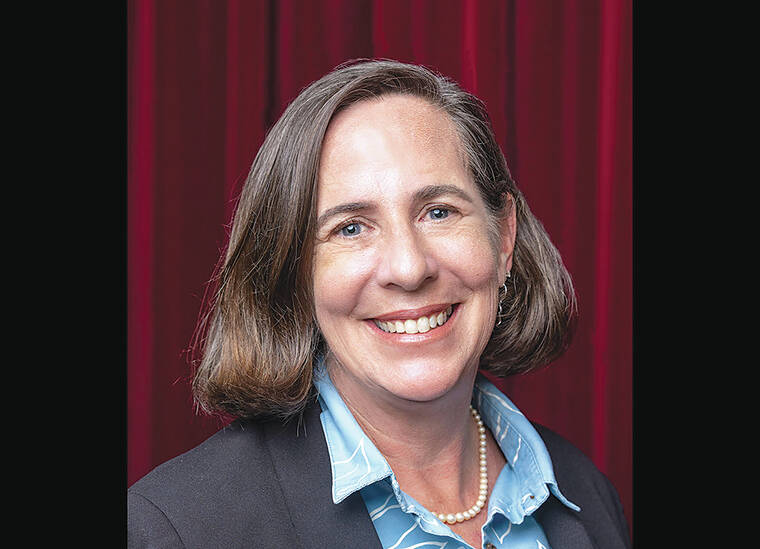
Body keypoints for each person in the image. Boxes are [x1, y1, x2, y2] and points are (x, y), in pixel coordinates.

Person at [128, 59, 631, 549]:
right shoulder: (177, 530)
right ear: (294, 271)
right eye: (350, 228)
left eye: (439, 212)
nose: (409, 269)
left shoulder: (588, 495)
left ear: (503, 239)